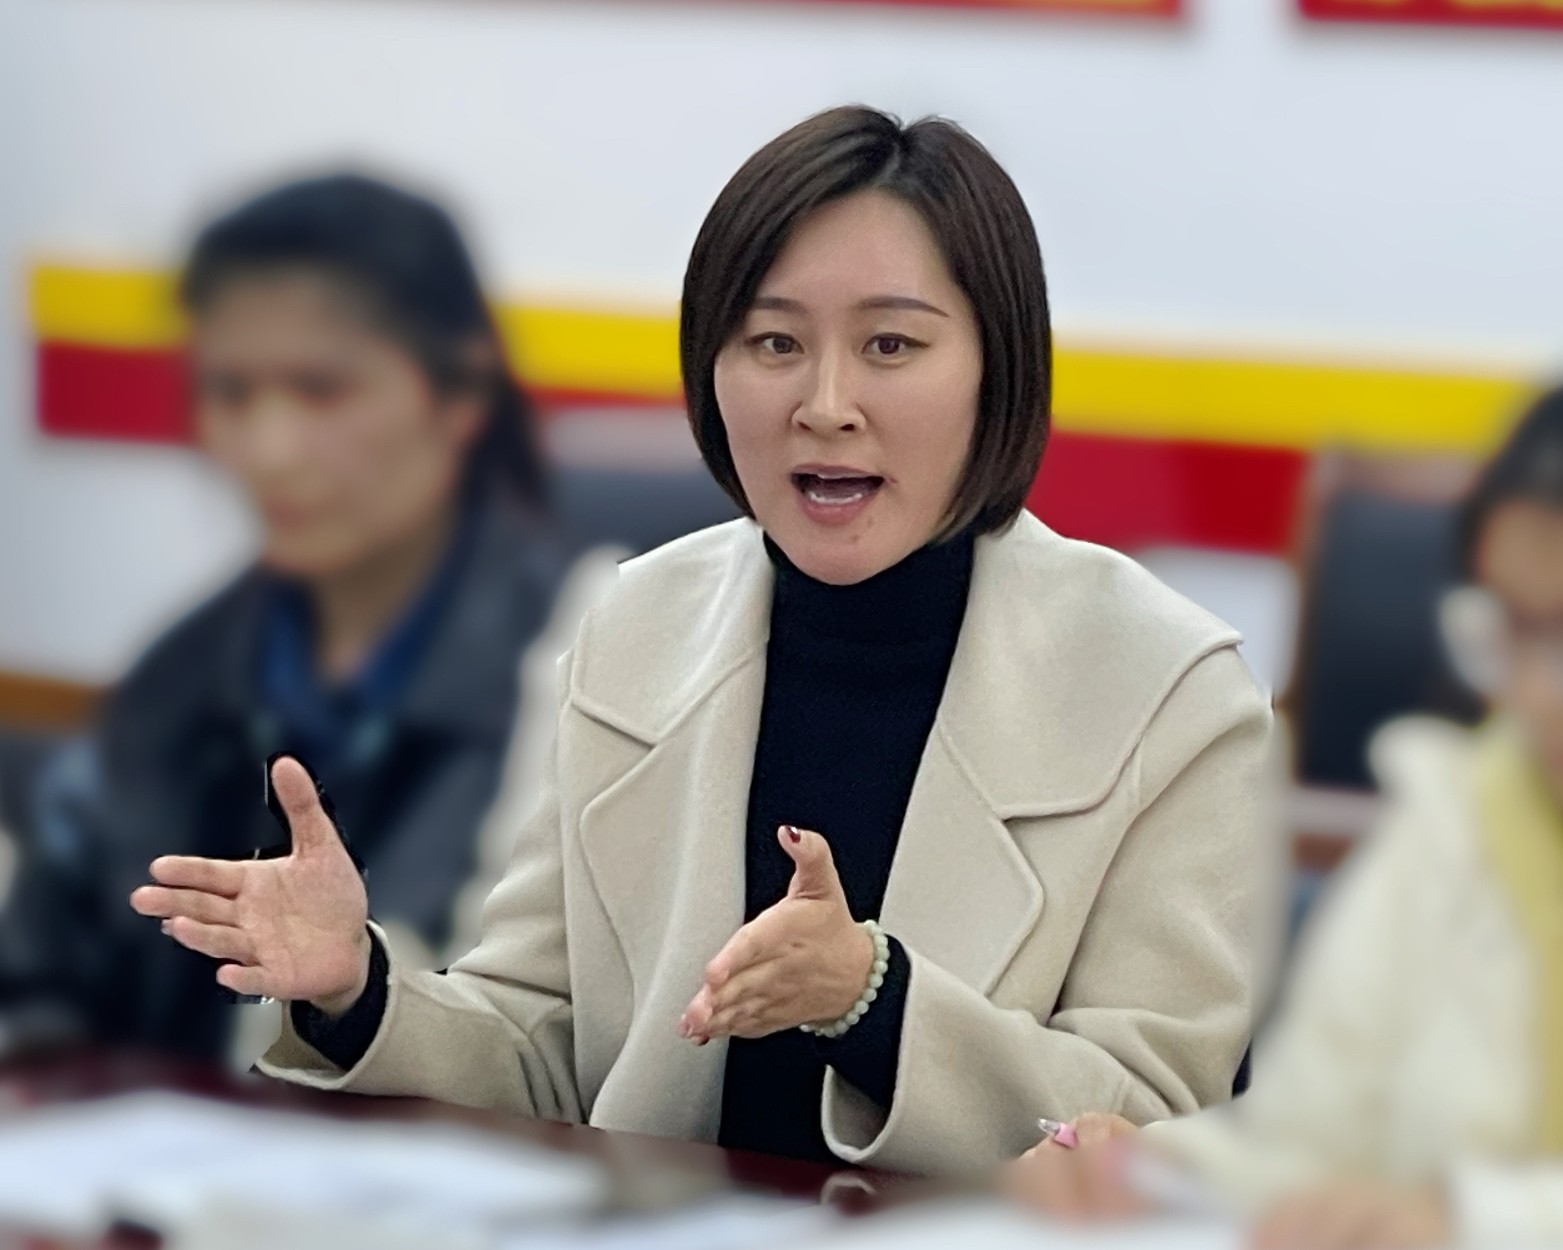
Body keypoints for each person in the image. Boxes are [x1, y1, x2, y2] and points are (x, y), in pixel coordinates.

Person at [131, 106, 1270, 1173]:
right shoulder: (635, 625)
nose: (825, 403)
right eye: (773, 343)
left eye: (890, 345)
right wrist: (358, 988)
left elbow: (1158, 1121)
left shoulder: (1169, 689)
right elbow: (545, 1048)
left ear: (996, 370)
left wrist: (874, 1002)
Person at [0, 173, 608, 1067]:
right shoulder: (186, 667)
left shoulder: (581, 660)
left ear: (461, 395)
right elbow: (43, 970)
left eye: (322, 390)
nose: (270, 450)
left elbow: (529, 1038)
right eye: (231, 393)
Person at [1009, 371, 1563, 1245]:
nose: (1538, 693)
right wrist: (1153, 1170)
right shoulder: (1467, 819)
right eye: (1512, 628)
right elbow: (1309, 1141)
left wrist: (1472, 1222)